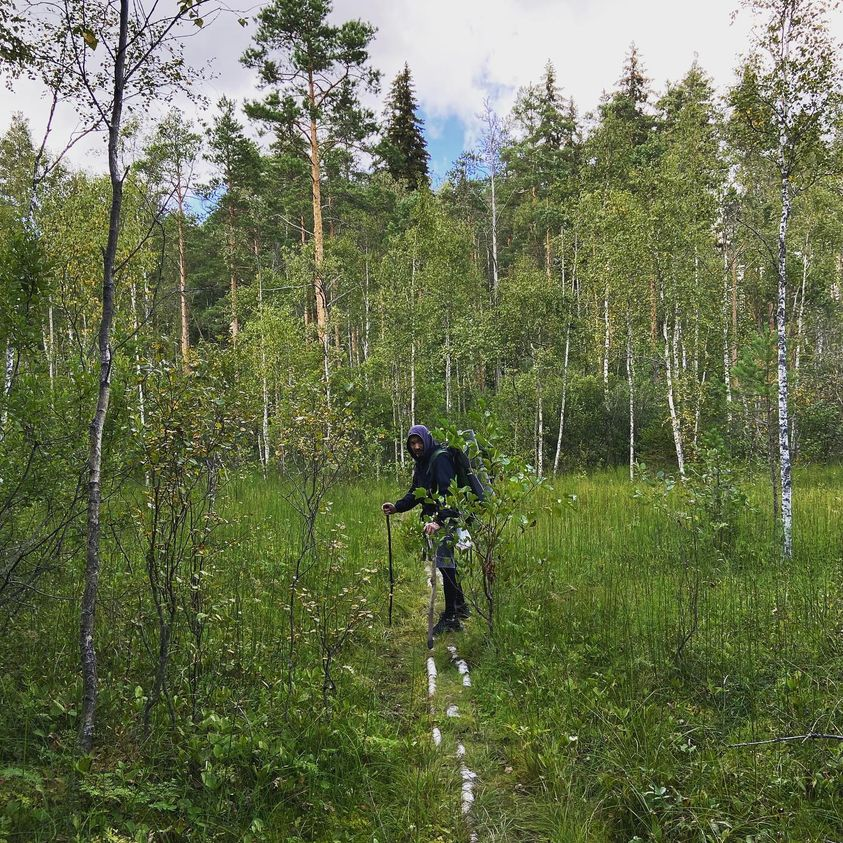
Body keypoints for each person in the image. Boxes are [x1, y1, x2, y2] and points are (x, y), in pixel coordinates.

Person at [382, 424, 470, 635]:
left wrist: (439, 521)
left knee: (446, 565)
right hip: (438, 519)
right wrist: (397, 507)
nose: (417, 446)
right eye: (412, 443)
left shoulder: (439, 459)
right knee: (446, 565)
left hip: (446, 519)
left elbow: (449, 493)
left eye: (419, 442)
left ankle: (451, 617)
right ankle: (461, 607)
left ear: (427, 440)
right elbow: (417, 492)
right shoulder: (422, 463)